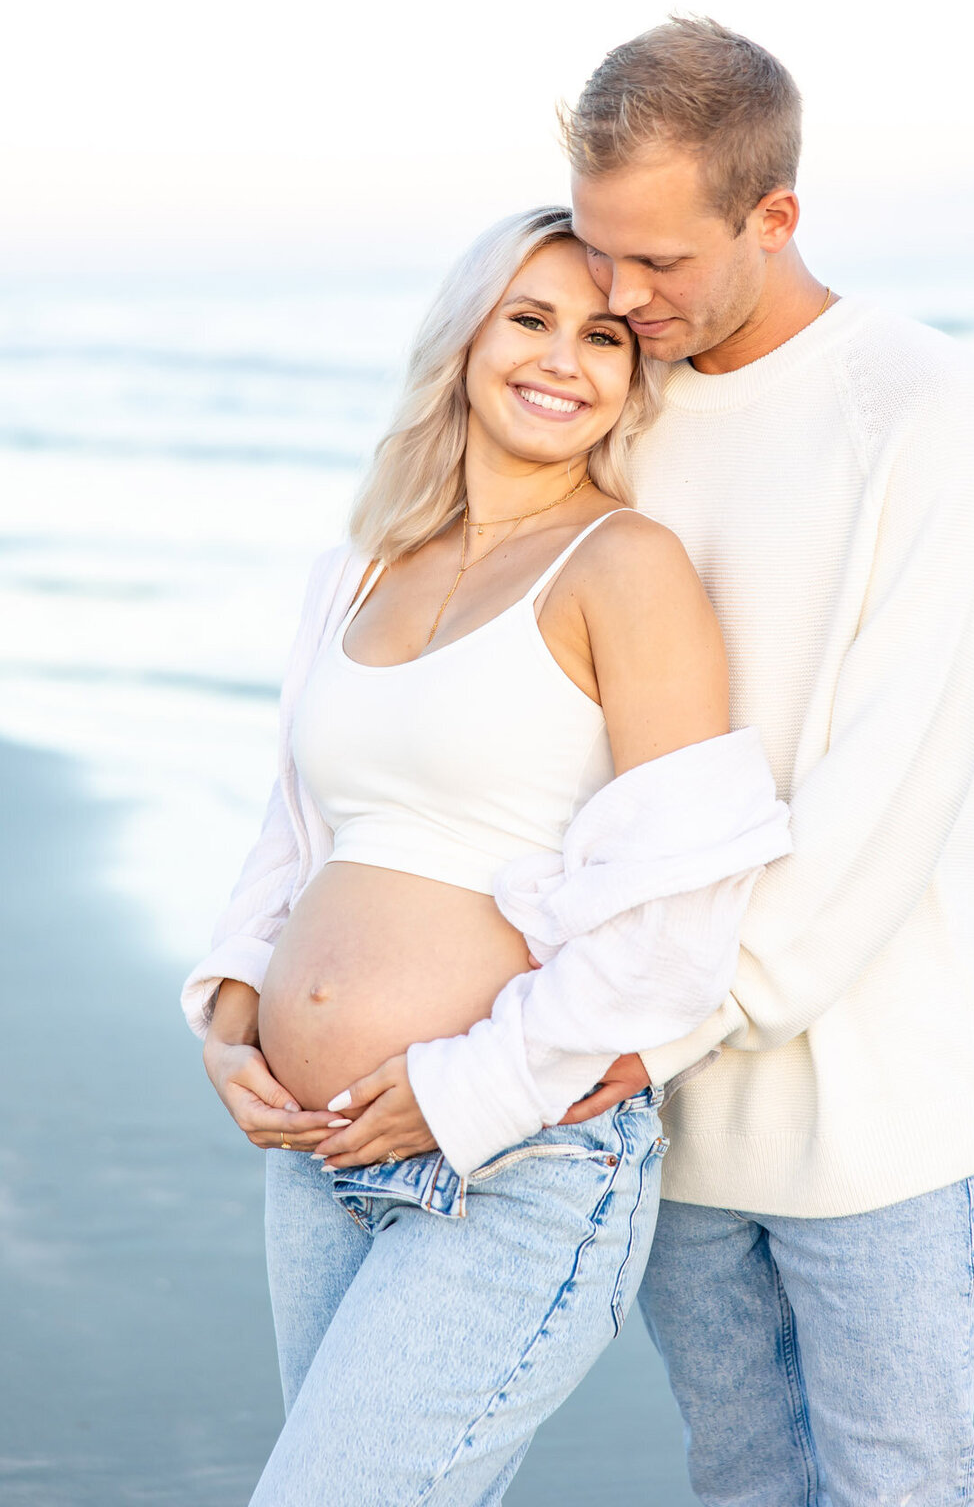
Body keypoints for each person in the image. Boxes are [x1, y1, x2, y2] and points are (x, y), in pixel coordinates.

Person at [409, 22, 974, 1506]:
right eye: (603, 257)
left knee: (900, 1482)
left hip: (872, 1100)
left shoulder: (927, 411)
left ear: (776, 217)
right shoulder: (635, 397)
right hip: (652, 1100)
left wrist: (670, 1020)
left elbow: (891, 785)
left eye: (661, 264)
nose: (620, 301)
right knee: (740, 1478)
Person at [181, 204, 791, 1507]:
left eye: (607, 336)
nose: (566, 357)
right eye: (531, 318)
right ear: (465, 335)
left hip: (516, 1166)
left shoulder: (625, 566)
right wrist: (230, 1014)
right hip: (314, 1158)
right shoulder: (364, 564)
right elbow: (298, 832)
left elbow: (678, 916)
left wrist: (468, 1091)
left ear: (635, 379)